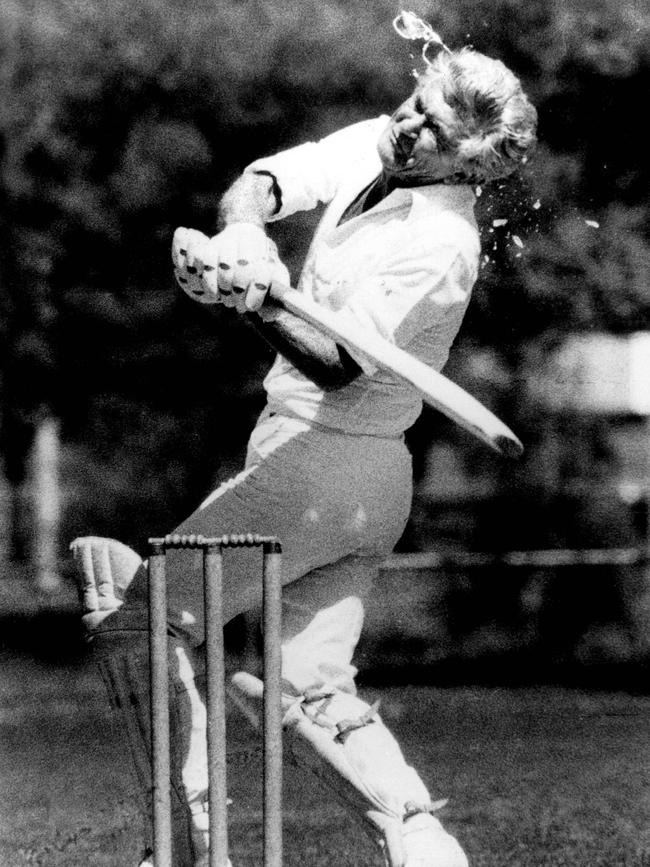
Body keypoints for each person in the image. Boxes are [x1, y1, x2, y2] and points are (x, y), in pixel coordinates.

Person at [71, 43, 537, 867]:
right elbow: (262, 182)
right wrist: (245, 237)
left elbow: (337, 362)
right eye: (415, 103)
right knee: (309, 689)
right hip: (347, 472)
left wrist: (243, 296)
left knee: (140, 619)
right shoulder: (383, 142)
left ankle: (185, 844)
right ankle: (424, 844)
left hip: (329, 459)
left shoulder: (443, 243)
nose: (409, 125)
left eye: (433, 128)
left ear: (469, 162)